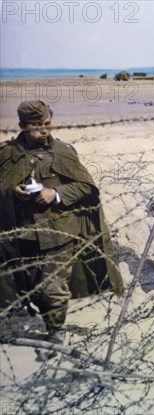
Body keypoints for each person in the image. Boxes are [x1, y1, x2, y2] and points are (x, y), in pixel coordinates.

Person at [0, 101, 123, 346]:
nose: (44, 130)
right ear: (23, 126)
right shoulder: (6, 154)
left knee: (51, 288)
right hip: (20, 234)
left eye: (47, 124)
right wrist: (12, 191)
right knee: (24, 282)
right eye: (37, 126)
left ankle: (55, 332)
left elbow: (87, 187)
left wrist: (54, 193)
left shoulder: (63, 151)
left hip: (56, 233)